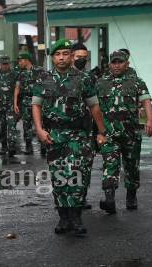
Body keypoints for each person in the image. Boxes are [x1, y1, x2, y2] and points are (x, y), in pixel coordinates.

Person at [32, 39, 107, 236]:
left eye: (66, 53)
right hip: (54, 135)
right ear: (52, 57)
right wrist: (39, 130)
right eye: (58, 54)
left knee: (77, 174)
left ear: (72, 56)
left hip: (78, 135)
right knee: (59, 177)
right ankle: (63, 217)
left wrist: (101, 132)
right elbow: (36, 106)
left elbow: (94, 107)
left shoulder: (83, 79)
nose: (62, 57)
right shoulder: (44, 80)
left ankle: (76, 216)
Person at [98, 50, 152, 213]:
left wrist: (149, 120)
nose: (116, 65)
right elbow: (94, 108)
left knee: (131, 166)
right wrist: (97, 131)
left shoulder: (136, 82)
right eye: (114, 62)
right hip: (109, 134)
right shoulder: (101, 83)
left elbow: (146, 101)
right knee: (110, 165)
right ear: (109, 64)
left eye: (120, 62)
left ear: (127, 63)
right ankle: (109, 199)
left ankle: (131, 196)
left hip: (131, 134)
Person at [71, 43, 94, 209]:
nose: (82, 60)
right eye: (79, 57)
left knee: (85, 165)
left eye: (84, 58)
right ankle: (68, 200)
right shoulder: (61, 76)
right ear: (72, 56)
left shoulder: (89, 77)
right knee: (68, 166)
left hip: (86, 129)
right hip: (65, 130)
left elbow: (95, 104)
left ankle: (81, 196)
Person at [13, 52, 45, 155]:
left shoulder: (39, 70)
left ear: (27, 60)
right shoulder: (20, 73)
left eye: (21, 60)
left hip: (39, 101)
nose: (19, 63)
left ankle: (44, 146)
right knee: (26, 125)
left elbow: (46, 85)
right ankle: (28, 146)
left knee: (40, 124)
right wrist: (15, 103)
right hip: (25, 101)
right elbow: (17, 88)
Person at [0, 55, 18, 156]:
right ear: (0, 64)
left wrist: (15, 103)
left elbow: (17, 89)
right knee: (1, 127)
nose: (5, 66)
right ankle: (4, 145)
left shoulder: (14, 74)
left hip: (10, 105)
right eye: (3, 64)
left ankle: (12, 146)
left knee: (12, 125)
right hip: (0, 106)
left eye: (6, 64)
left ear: (9, 63)